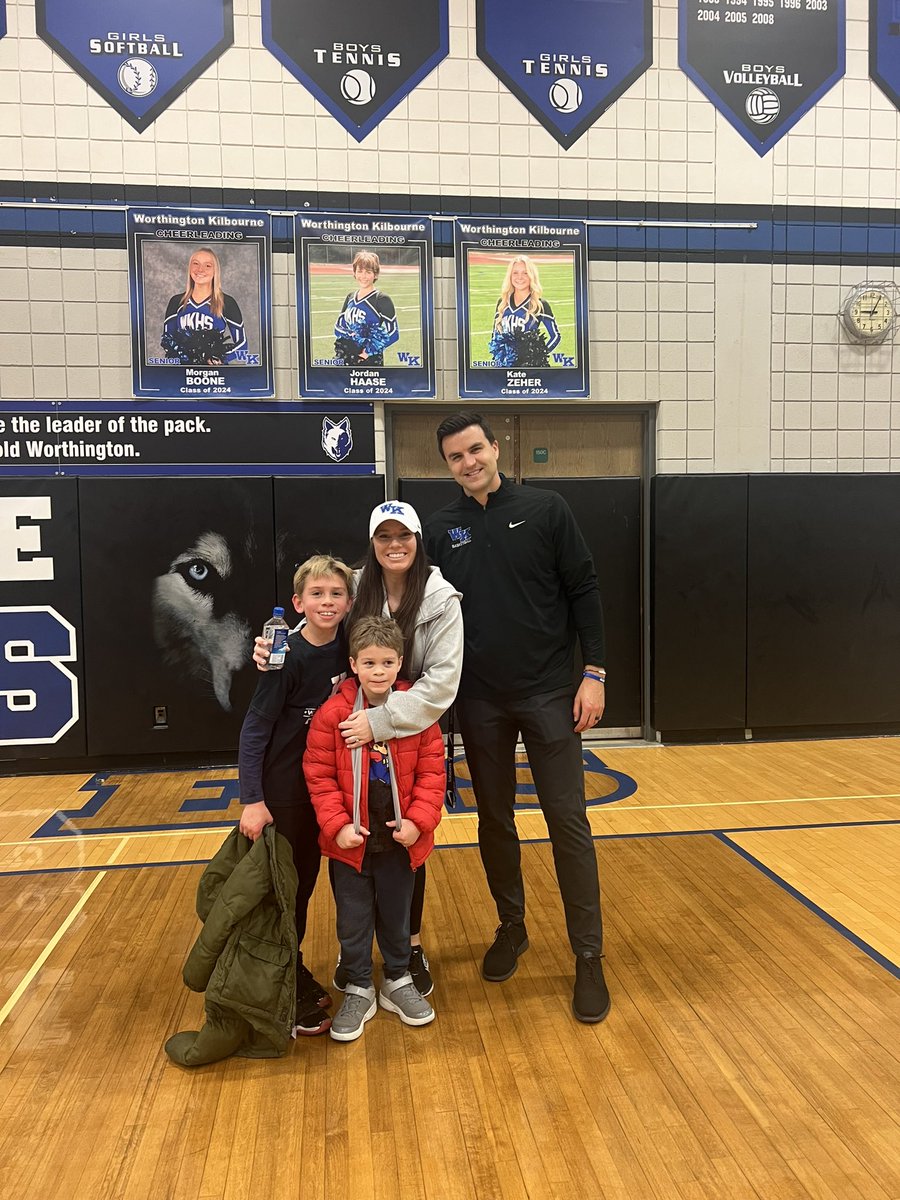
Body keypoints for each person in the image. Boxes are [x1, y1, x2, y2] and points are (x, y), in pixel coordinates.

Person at [423, 411, 610, 1024]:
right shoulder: (440, 528)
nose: (468, 462)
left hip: (550, 693)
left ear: (495, 448)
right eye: (455, 456)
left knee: (567, 823)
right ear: (446, 465)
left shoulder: (547, 508)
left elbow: (584, 589)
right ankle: (512, 927)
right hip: (478, 700)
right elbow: (406, 603)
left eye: (476, 449)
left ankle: (588, 957)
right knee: (495, 822)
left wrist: (595, 673)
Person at [254, 499, 463, 997]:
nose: (395, 545)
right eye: (384, 537)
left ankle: (406, 951)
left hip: (408, 724)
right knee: (353, 861)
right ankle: (355, 966)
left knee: (408, 843)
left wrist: (382, 720)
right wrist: (271, 648)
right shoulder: (355, 585)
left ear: (418, 540)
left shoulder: (440, 597)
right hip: (353, 733)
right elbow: (315, 611)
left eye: (404, 536)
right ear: (372, 543)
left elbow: (442, 683)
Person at [305, 616, 445, 1042]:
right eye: (369, 663)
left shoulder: (417, 712)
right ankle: (359, 985)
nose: (379, 671)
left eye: (387, 663)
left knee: (397, 914)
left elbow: (433, 773)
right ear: (353, 664)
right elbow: (319, 776)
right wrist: (336, 826)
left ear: (400, 663)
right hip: (351, 843)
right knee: (353, 919)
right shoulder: (333, 715)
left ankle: (398, 979)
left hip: (400, 842)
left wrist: (419, 823)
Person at [237, 555, 353, 1036]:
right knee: (289, 893)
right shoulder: (283, 657)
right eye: (317, 594)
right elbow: (255, 727)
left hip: (331, 788)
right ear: (297, 602)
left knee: (323, 884)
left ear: (349, 602)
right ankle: (278, 985)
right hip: (285, 793)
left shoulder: (351, 648)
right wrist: (252, 798)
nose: (327, 602)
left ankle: (303, 969)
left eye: (336, 594)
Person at [161, 247, 247, 365]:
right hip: (183, 373)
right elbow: (167, 340)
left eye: (208, 265)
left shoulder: (227, 302)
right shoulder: (176, 302)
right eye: (195, 264)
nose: (200, 269)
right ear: (189, 268)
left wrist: (220, 358)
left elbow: (242, 345)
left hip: (215, 375)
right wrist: (182, 356)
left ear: (215, 271)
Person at [488, 256, 561, 368]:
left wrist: (539, 355)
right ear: (510, 276)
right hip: (505, 366)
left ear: (531, 276)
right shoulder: (502, 303)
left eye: (525, 273)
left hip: (530, 367)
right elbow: (495, 335)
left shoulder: (540, 304)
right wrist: (500, 356)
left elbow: (555, 336)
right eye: (515, 273)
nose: (520, 277)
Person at [333, 250, 399, 366]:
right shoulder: (350, 297)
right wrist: (350, 336)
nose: (363, 276)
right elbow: (337, 327)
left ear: (376, 274)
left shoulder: (382, 299)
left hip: (369, 360)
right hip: (346, 356)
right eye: (360, 271)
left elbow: (393, 333)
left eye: (368, 272)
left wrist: (368, 351)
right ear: (354, 273)